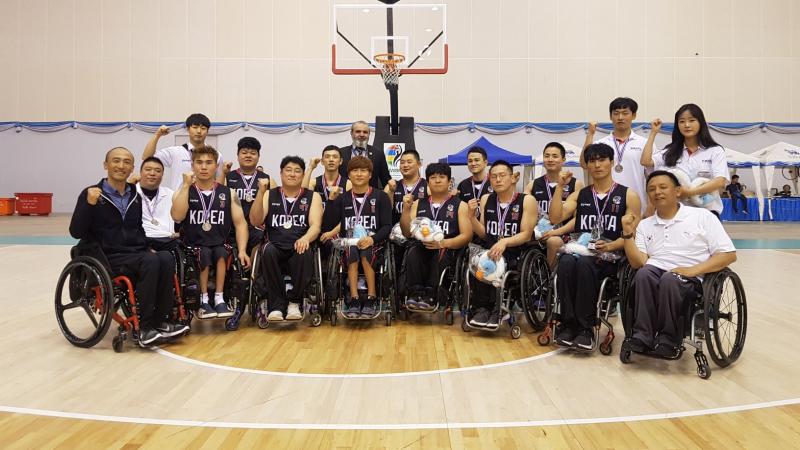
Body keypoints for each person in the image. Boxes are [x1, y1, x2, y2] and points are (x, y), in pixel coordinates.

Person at [70, 147, 188, 347]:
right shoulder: (91, 194)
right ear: (106, 165)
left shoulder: (134, 194)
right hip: (106, 256)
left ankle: (161, 321)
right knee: (150, 261)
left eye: (126, 162)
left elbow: (137, 228)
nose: (121, 166)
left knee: (166, 257)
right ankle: (144, 327)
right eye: (116, 161)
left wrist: (146, 247)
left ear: (132, 167)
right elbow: (76, 232)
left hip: (133, 253)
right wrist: (88, 205)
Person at [622, 170, 736, 357]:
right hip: (656, 271)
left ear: (677, 191)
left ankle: (669, 340)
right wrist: (627, 233)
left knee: (670, 280)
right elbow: (638, 263)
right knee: (642, 274)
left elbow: (728, 255)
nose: (657, 192)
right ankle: (642, 336)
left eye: (663, 187)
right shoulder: (644, 225)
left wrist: (692, 270)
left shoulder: (703, 217)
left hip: (692, 277)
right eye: (651, 189)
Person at [549, 143, 641, 350]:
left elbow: (633, 235)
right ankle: (567, 324)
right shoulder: (579, 194)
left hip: (610, 258)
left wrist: (610, 246)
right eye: (592, 161)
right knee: (564, 261)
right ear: (587, 166)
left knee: (583, 265)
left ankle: (585, 328)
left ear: (612, 162)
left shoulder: (628, 195)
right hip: (580, 252)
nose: (597, 164)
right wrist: (560, 188)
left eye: (602, 160)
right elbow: (555, 217)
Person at [171, 145, 251, 319]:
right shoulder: (184, 190)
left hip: (219, 242)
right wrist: (185, 186)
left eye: (209, 162)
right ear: (192, 166)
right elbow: (177, 216)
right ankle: (203, 299)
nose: (204, 167)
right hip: (193, 245)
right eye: (199, 162)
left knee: (222, 251)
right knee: (204, 253)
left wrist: (243, 250)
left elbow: (241, 224)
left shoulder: (228, 193)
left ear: (216, 166)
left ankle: (220, 298)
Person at [250, 156, 323, 321]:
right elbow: (255, 221)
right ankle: (275, 305)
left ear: (303, 175)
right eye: (288, 170)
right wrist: (260, 193)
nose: (292, 174)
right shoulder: (269, 194)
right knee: (267, 250)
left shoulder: (313, 197)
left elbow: (315, 226)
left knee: (304, 250)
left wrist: (306, 238)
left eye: (297, 171)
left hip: (299, 242)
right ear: (281, 173)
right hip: (275, 243)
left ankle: (294, 302)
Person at [467, 160, 537, 329]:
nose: (497, 180)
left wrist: (505, 241)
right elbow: (484, 233)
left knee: (496, 263)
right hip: (490, 250)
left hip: (516, 251)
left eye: (502, 175)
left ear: (513, 178)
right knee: (478, 262)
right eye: (494, 176)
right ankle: (482, 309)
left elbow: (526, 234)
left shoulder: (527, 200)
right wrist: (471, 217)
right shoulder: (486, 199)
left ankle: (497, 310)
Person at [399, 163, 472, 310]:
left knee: (439, 254)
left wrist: (444, 243)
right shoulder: (418, 203)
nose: (437, 180)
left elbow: (467, 235)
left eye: (442, 177)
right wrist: (406, 210)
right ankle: (415, 293)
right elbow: (407, 232)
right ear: (428, 181)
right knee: (413, 252)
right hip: (422, 246)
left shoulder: (460, 205)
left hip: (447, 247)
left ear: (449, 181)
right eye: (433, 177)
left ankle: (432, 294)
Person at [328, 156, 393, 318]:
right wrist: (331, 200)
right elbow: (328, 224)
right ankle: (354, 299)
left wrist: (372, 239)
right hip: (349, 243)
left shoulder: (380, 197)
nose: (359, 174)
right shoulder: (343, 198)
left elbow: (387, 227)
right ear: (348, 175)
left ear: (370, 174)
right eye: (355, 171)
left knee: (366, 252)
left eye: (363, 171)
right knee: (352, 251)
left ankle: (371, 297)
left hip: (374, 242)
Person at [640, 104, 729, 218]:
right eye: (682, 121)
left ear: (700, 123)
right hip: (677, 215)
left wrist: (689, 193)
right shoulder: (670, 151)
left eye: (692, 120)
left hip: (707, 213)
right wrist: (653, 133)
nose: (687, 125)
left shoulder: (715, 151)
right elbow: (645, 161)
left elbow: (720, 181)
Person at [582, 97, 648, 215]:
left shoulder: (644, 143)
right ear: (610, 116)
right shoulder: (601, 143)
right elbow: (584, 163)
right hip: (605, 206)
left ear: (633, 115)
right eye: (616, 113)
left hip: (637, 205)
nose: (620, 117)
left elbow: (652, 176)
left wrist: (651, 206)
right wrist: (590, 135)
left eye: (625, 113)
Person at [524, 142, 584, 267]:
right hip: (539, 232)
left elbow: (578, 217)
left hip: (564, 233)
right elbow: (525, 214)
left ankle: (548, 280)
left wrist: (556, 232)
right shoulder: (532, 184)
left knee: (554, 241)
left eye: (555, 156)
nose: (550, 159)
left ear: (563, 160)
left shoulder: (576, 184)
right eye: (547, 156)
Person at [221, 137, 275, 256]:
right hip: (232, 227)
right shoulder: (228, 177)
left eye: (253, 153)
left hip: (257, 227)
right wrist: (222, 173)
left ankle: (252, 273)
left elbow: (276, 205)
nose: (248, 156)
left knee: (261, 238)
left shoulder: (267, 179)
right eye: (244, 153)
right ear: (238, 155)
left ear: (258, 156)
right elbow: (216, 198)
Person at [141, 114, 224, 191]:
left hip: (205, 202)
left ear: (207, 131)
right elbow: (146, 158)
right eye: (195, 127)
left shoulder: (216, 155)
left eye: (203, 128)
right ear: (188, 129)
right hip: (179, 200)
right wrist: (157, 135)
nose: (199, 131)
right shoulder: (175, 152)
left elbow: (219, 180)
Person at [302, 145, 352, 241]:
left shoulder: (348, 184)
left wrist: (332, 233)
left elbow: (349, 214)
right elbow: (303, 196)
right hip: (317, 227)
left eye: (335, 157)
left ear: (341, 161)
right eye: (327, 156)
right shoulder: (314, 182)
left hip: (337, 230)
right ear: (322, 161)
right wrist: (311, 168)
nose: (331, 160)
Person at [136, 156, 180, 252]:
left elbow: (181, 217)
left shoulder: (170, 193)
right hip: (142, 239)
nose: (152, 173)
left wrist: (181, 233)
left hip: (167, 239)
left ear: (162, 174)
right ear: (140, 172)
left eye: (157, 171)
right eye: (148, 170)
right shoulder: (131, 193)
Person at [339, 121, 392, 189]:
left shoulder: (378, 153)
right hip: (346, 196)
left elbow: (385, 179)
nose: (362, 135)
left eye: (365, 132)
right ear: (351, 133)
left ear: (369, 134)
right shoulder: (341, 153)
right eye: (358, 131)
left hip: (371, 197)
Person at [385, 149, 428, 224]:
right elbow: (385, 211)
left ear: (419, 164)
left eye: (409, 162)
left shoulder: (427, 186)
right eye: (402, 162)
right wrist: (391, 192)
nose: (405, 165)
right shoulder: (391, 186)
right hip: (395, 232)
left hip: (420, 232)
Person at [456, 146, 494, 212]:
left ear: (485, 163)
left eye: (477, 160)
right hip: (468, 222)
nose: (473, 164)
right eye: (470, 161)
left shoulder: (494, 182)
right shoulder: (463, 185)